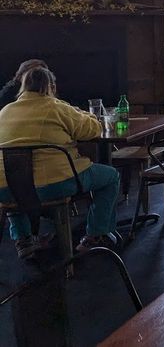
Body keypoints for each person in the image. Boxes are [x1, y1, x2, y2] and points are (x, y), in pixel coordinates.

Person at [0, 67, 120, 259]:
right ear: (51, 86)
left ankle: (23, 239)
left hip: (4, 188)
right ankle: (96, 235)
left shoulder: (5, 111)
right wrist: (88, 115)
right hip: (53, 184)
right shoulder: (56, 107)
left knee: (12, 183)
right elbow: (93, 130)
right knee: (111, 177)